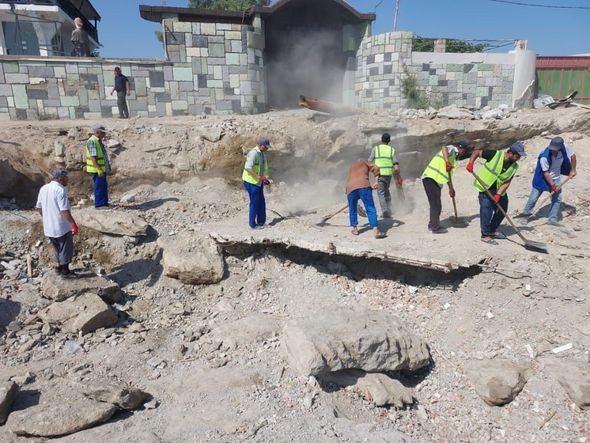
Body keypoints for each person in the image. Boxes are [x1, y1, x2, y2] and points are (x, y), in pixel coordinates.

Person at [466, 142, 526, 244]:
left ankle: (492, 231)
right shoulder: (495, 155)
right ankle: (485, 235)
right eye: (517, 156)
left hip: (499, 190)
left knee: (502, 210)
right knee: (486, 211)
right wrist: (471, 163)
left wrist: (499, 194)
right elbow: (477, 152)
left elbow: (507, 182)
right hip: (485, 187)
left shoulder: (514, 166)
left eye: (519, 156)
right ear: (510, 153)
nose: (518, 158)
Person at [518, 136, 577, 225]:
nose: (553, 150)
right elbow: (546, 173)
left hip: (556, 177)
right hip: (542, 178)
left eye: (555, 149)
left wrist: (573, 169)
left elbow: (573, 156)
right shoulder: (544, 156)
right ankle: (525, 216)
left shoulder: (565, 146)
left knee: (557, 199)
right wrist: (553, 185)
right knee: (534, 198)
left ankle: (552, 219)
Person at [36, 169, 79, 277]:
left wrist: (46, 217)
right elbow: (64, 210)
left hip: (49, 227)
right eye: (66, 177)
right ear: (60, 178)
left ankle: (59, 268)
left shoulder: (43, 188)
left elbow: (39, 207)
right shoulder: (60, 190)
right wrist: (73, 224)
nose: (67, 179)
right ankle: (65, 272)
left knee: (57, 248)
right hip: (61, 226)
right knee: (65, 248)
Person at [421, 141, 472, 233]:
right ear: (461, 149)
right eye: (464, 151)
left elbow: (448, 176)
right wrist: (447, 161)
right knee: (435, 205)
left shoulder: (453, 158)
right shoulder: (452, 149)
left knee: (437, 205)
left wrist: (451, 188)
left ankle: (432, 224)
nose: (463, 153)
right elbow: (444, 147)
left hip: (436, 181)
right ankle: (435, 228)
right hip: (430, 178)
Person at [345, 160, 383, 238]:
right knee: (370, 207)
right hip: (363, 186)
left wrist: (348, 192)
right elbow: (376, 168)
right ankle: (375, 229)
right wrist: (376, 181)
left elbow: (349, 179)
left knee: (352, 209)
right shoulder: (364, 162)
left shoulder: (351, 167)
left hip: (350, 188)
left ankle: (355, 229)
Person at [368, 133, 403, 218]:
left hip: (379, 174)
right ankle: (390, 209)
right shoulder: (391, 149)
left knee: (381, 193)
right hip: (388, 174)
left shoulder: (376, 149)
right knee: (386, 191)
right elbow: (395, 163)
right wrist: (398, 176)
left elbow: (369, 161)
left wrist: (370, 170)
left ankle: (385, 212)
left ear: (381, 139)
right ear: (389, 141)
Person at [243, 137, 271, 229]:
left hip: (258, 182)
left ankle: (261, 222)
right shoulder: (253, 153)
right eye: (266, 147)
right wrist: (259, 177)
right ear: (260, 145)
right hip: (251, 182)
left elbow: (264, 168)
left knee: (261, 202)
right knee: (254, 203)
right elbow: (248, 168)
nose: (267, 148)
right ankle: (253, 225)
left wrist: (265, 179)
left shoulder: (262, 154)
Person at [85, 124, 110, 208]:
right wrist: (98, 169)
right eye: (103, 133)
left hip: (101, 169)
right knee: (99, 187)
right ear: (97, 132)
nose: (104, 135)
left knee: (103, 186)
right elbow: (93, 157)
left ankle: (104, 203)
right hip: (96, 170)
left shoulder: (98, 141)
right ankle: (99, 204)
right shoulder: (92, 141)